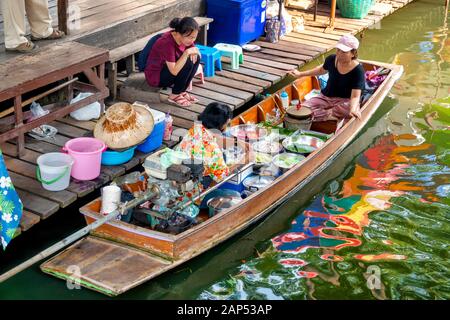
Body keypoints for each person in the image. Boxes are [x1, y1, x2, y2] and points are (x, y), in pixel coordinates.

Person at [289, 34, 365, 121]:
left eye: (344, 52)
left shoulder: (358, 70)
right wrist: (300, 74)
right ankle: (329, 115)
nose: (339, 54)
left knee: (349, 111)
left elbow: (355, 96)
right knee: (302, 109)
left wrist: (352, 109)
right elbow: (321, 70)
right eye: (338, 50)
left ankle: (325, 114)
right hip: (326, 97)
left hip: (344, 101)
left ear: (353, 53)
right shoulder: (331, 59)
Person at [144, 17, 201, 108]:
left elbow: (195, 52)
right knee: (187, 60)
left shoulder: (185, 39)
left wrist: (193, 52)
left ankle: (182, 91)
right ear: (179, 33)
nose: (192, 41)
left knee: (195, 57)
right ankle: (174, 95)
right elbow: (174, 71)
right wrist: (186, 53)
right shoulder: (167, 42)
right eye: (190, 37)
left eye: (194, 38)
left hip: (169, 71)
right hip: (157, 77)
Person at [177, 102, 233, 187]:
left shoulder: (197, 127)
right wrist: (246, 159)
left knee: (223, 156)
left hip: (181, 170)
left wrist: (236, 142)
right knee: (223, 158)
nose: (228, 125)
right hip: (194, 187)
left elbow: (212, 138)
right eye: (227, 123)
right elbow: (224, 177)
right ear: (220, 124)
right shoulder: (213, 150)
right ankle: (206, 191)